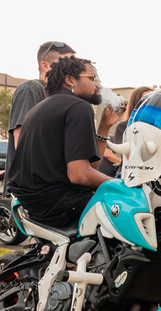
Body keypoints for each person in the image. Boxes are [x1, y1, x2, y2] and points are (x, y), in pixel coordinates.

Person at [7, 55, 121, 225]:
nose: (99, 85)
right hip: (59, 205)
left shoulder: (40, 107)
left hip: (35, 204)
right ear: (69, 80)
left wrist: (104, 126)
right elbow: (79, 175)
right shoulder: (78, 107)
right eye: (93, 78)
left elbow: (89, 167)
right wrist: (121, 185)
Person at [8, 41, 76, 148]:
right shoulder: (30, 89)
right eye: (66, 63)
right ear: (45, 66)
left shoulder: (60, 97)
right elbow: (22, 143)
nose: (72, 69)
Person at [98, 86, 152, 176]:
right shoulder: (123, 127)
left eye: (152, 99)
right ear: (136, 103)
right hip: (130, 176)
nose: (149, 103)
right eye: (145, 100)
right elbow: (127, 156)